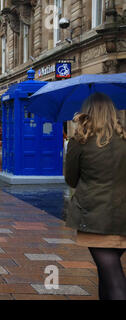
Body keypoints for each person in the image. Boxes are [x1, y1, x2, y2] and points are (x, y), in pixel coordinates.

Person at [65, 92, 126, 300]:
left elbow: (71, 180)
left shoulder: (80, 140)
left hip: (95, 217)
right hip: (123, 217)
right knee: (106, 274)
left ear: (87, 112)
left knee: (115, 280)